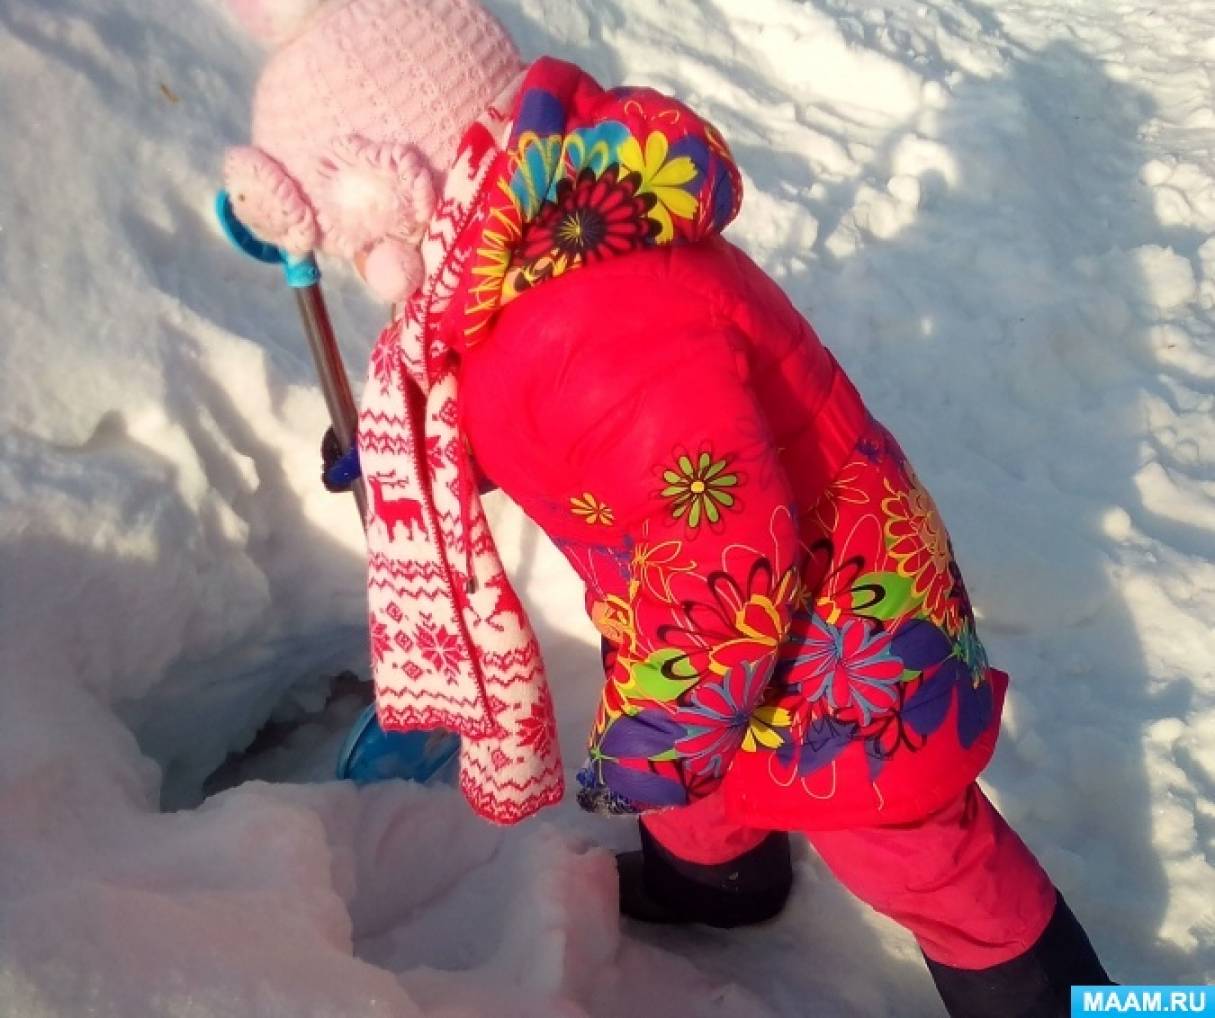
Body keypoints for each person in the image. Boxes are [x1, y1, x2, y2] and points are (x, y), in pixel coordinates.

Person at [222, 0, 1111, 1012]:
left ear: (401, 192)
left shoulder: (597, 318)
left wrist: (670, 727)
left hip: (838, 633)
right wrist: (434, 453)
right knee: (695, 773)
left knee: (909, 841)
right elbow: (553, 425)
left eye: (353, 239)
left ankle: (1066, 1000)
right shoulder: (525, 264)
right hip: (691, 612)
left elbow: (724, 538)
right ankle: (721, 879)